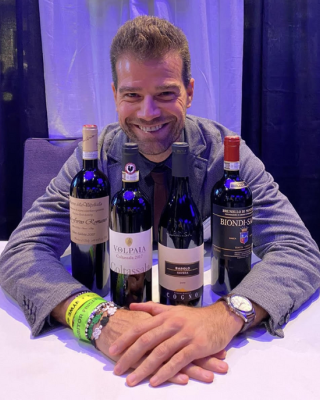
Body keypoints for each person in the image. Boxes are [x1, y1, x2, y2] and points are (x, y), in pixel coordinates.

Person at [0, 15, 320, 388]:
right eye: (132, 95)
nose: (148, 113)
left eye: (166, 94)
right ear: (115, 93)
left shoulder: (225, 153)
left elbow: (297, 248)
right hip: (102, 348)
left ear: (190, 91)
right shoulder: (95, 157)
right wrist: (94, 316)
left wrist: (225, 316)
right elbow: (23, 251)